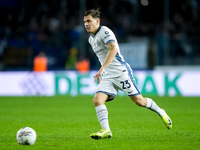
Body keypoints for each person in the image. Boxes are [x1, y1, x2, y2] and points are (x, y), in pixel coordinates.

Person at [84, 8, 172, 140]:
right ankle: (106, 130)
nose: (86, 24)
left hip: (121, 72)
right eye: (85, 21)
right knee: (97, 100)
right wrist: (104, 70)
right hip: (108, 75)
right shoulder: (91, 39)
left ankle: (161, 111)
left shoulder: (105, 32)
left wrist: (101, 69)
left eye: (89, 21)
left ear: (97, 21)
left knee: (139, 101)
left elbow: (113, 50)